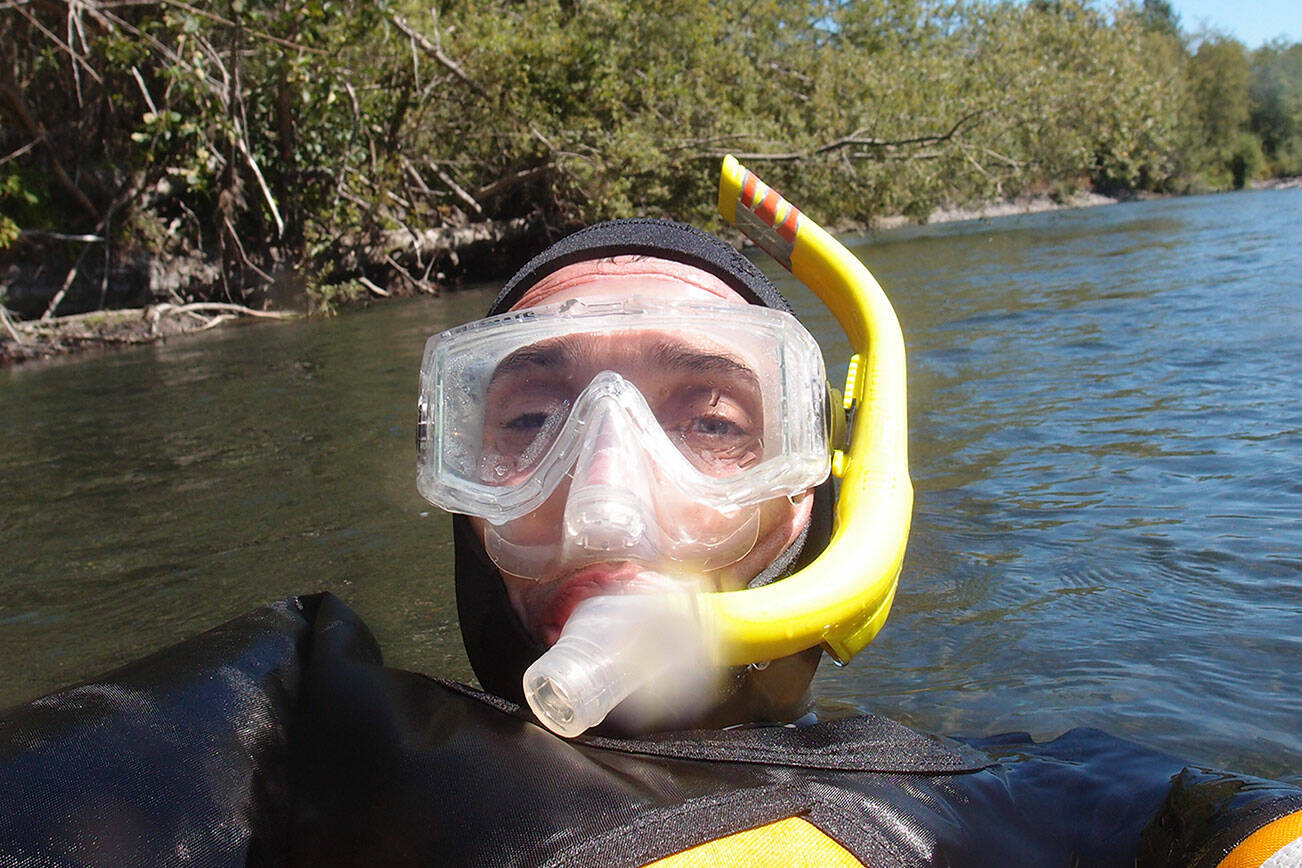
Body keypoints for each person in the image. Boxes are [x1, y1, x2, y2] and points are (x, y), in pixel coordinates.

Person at [1, 160, 1299, 867]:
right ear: (457, 493)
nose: (604, 497)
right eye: (525, 418)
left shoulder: (1056, 795)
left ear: (823, 490)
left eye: (712, 415)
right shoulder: (290, 721)